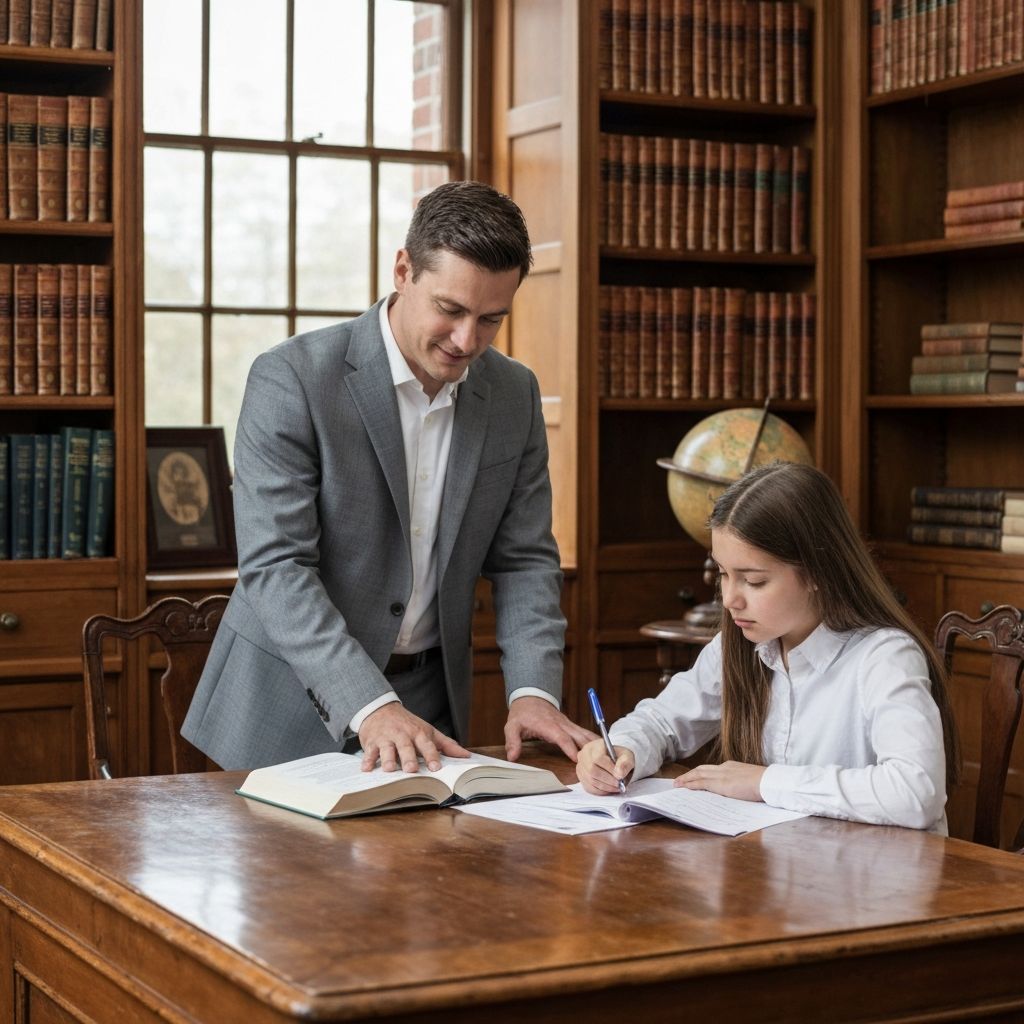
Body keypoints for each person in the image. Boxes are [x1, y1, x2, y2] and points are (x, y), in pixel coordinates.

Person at [183, 180, 595, 774]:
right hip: (285, 713)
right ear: (403, 270)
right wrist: (370, 704)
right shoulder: (292, 379)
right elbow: (276, 567)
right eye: (450, 310)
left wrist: (532, 689)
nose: (466, 341)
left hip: (429, 712)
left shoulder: (514, 394)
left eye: (490, 320)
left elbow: (525, 559)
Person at [577, 462, 961, 833]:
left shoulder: (884, 657)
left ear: (816, 572)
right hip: (786, 871)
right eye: (724, 575)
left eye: (754, 581)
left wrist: (765, 783)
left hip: (883, 885)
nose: (730, 600)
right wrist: (621, 751)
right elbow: (662, 722)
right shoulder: (740, 645)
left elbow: (916, 792)